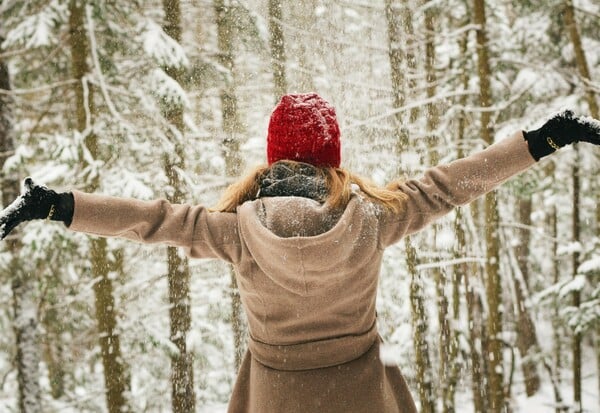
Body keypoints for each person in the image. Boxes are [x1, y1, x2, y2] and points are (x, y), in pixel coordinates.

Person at [1, 93, 600, 413]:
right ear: (332, 156)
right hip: (366, 394)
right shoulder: (374, 218)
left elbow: (152, 221)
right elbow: (452, 184)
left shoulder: (234, 230)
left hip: (275, 397)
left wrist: (59, 205)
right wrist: (544, 140)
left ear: (272, 157)